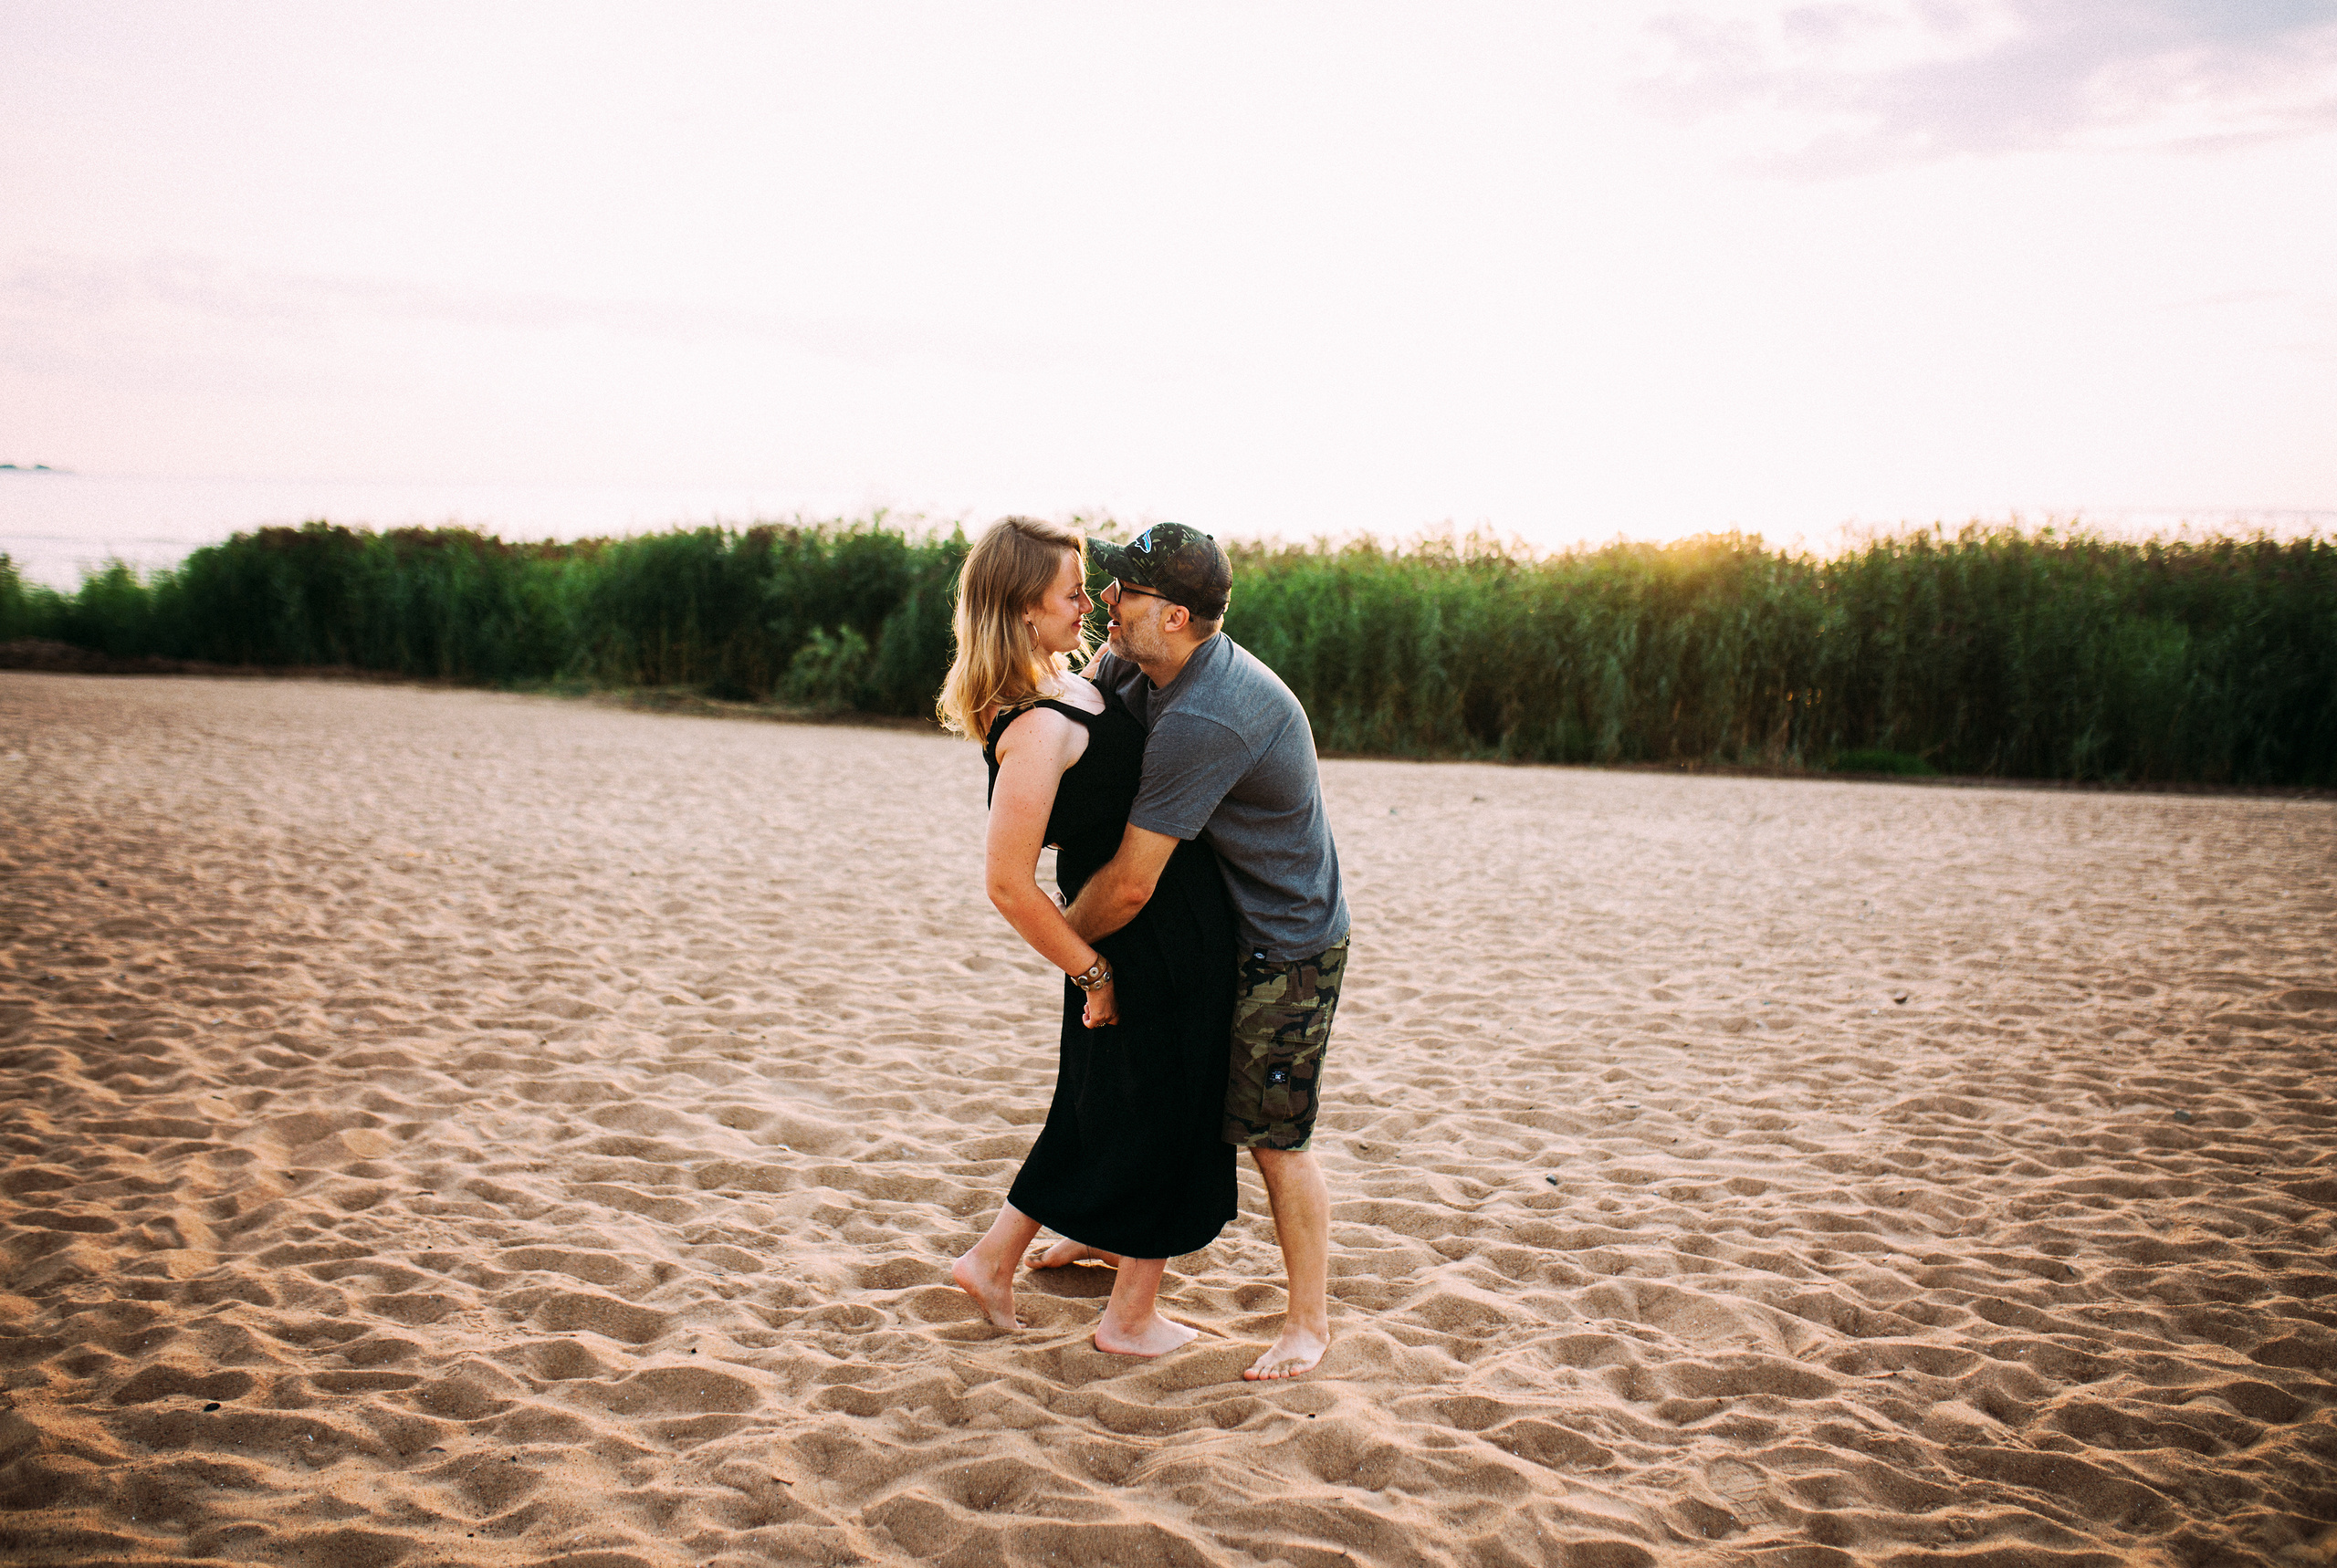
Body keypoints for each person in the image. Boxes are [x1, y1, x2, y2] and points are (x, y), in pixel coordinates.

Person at [939, 516, 1241, 1356]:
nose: (1093, 603)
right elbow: (1006, 881)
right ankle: (1131, 1319)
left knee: (1099, 1108)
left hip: (1153, 926)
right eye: (1073, 593)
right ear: (1022, 609)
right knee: (1172, 1116)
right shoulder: (1034, 722)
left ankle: (994, 1259)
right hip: (1136, 939)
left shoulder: (1067, 678)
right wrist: (1092, 972)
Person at [1061, 524, 1351, 1381]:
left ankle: (1308, 1325)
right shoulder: (1130, 661)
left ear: (1178, 617)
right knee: (1153, 1081)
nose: (1107, 602)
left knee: (1272, 1137)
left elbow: (1132, 884)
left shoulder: (1208, 714)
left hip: (1286, 941)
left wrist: (1059, 940)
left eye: (1126, 591)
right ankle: (1106, 1230)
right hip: (1214, 917)